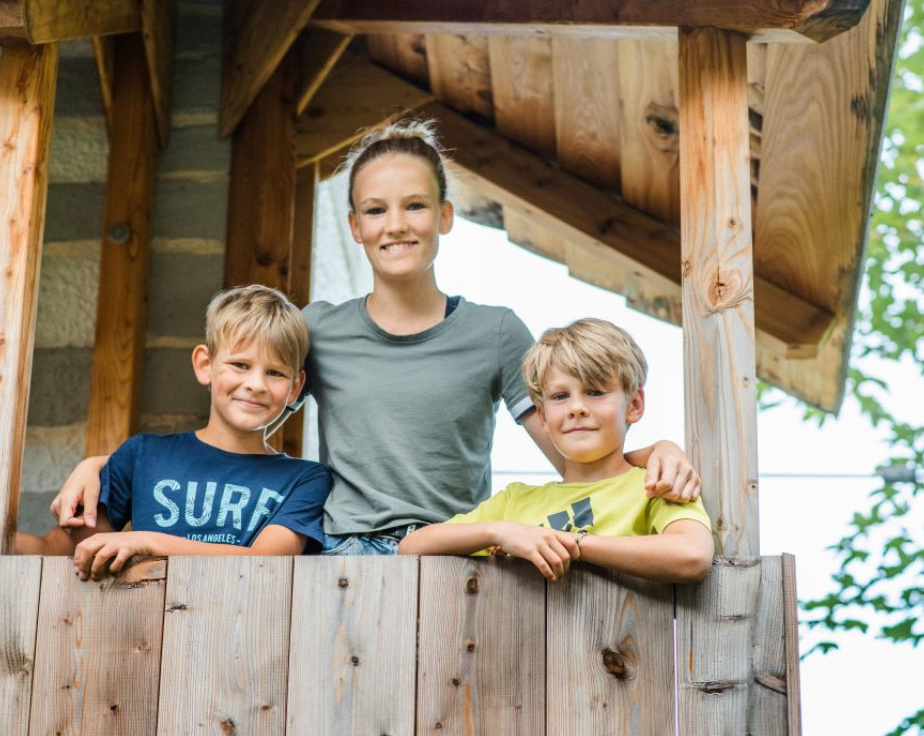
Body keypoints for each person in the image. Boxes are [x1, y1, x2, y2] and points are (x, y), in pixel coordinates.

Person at [48, 119, 700, 557]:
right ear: (356, 225)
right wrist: (101, 464)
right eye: (376, 210)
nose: (397, 225)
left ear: (444, 216)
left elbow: (573, 454)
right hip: (341, 553)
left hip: (453, 549)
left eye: (415, 206)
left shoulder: (496, 333)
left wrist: (657, 451)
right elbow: (244, 420)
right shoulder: (318, 330)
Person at [17, 285, 331, 580]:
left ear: (295, 387)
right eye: (240, 365)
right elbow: (58, 550)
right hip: (143, 635)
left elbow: (268, 559)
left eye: (274, 373)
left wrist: (151, 543)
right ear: (205, 365)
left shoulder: (305, 480)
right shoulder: (143, 456)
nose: (256, 384)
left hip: (246, 631)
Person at [399, 319, 714, 584]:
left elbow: (692, 556)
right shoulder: (515, 502)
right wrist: (500, 532)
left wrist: (572, 543)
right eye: (561, 396)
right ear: (544, 416)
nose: (577, 408)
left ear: (634, 405)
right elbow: (411, 547)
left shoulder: (657, 484)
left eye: (594, 392)